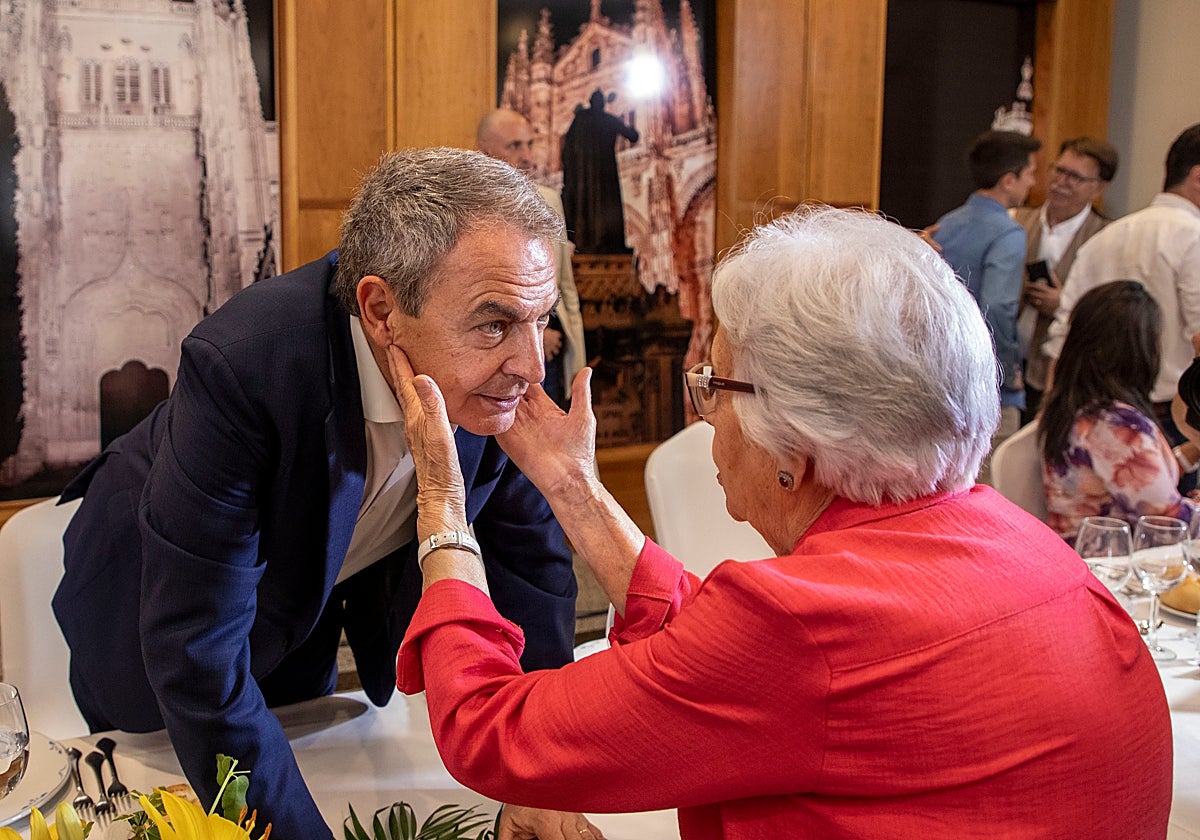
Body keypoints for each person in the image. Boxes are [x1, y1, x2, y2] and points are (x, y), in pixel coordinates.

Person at [391, 207, 1171, 838]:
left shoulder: (802, 624)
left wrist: (442, 503)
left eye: (714, 385)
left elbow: (489, 731)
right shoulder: (1017, 539)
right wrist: (574, 486)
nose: (704, 418)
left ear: (794, 441)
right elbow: (735, 659)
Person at [51, 148, 584, 840]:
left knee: (300, 753)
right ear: (381, 310)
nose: (531, 367)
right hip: (150, 605)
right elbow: (197, 655)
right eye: (494, 324)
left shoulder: (492, 374)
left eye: (539, 319)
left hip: (304, 602)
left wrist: (536, 779)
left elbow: (531, 575)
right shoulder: (244, 366)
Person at [1045, 123, 1200, 457]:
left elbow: (1063, 337)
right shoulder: (1194, 237)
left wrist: (1049, 423)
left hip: (1084, 417)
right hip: (1169, 422)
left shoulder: (1106, 237)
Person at [1040, 280, 1199, 543]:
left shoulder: (1080, 410)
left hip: (1084, 560)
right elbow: (1170, 524)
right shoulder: (1116, 425)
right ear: (1140, 350)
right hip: (1112, 568)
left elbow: (1139, 476)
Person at [933, 129, 1042, 481]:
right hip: (987, 377)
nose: (1033, 183)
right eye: (1029, 174)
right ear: (1009, 180)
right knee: (993, 484)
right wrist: (1009, 374)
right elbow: (998, 306)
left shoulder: (946, 224)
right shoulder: (1007, 233)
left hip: (942, 369)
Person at [477, 108, 587, 408]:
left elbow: (565, 289)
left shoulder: (549, 201)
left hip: (548, 353)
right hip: (491, 352)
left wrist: (577, 360)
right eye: (514, 146)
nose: (526, 155)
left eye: (529, 144)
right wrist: (533, 332)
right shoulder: (469, 209)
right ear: (486, 151)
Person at [1013, 136, 1118, 423]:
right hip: (1006, 363)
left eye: (1075, 177)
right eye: (1059, 170)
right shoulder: (1016, 219)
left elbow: (1110, 315)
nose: (1062, 182)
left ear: (1099, 187)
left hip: (1058, 374)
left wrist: (1064, 304)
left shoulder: (1106, 237)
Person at [560, 89, 639, 254]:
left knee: (585, 207)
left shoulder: (580, 119)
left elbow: (567, 149)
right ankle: (606, 242)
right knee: (606, 205)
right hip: (606, 174)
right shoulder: (608, 119)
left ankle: (586, 241)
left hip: (583, 176)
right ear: (602, 103)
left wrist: (570, 173)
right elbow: (633, 136)